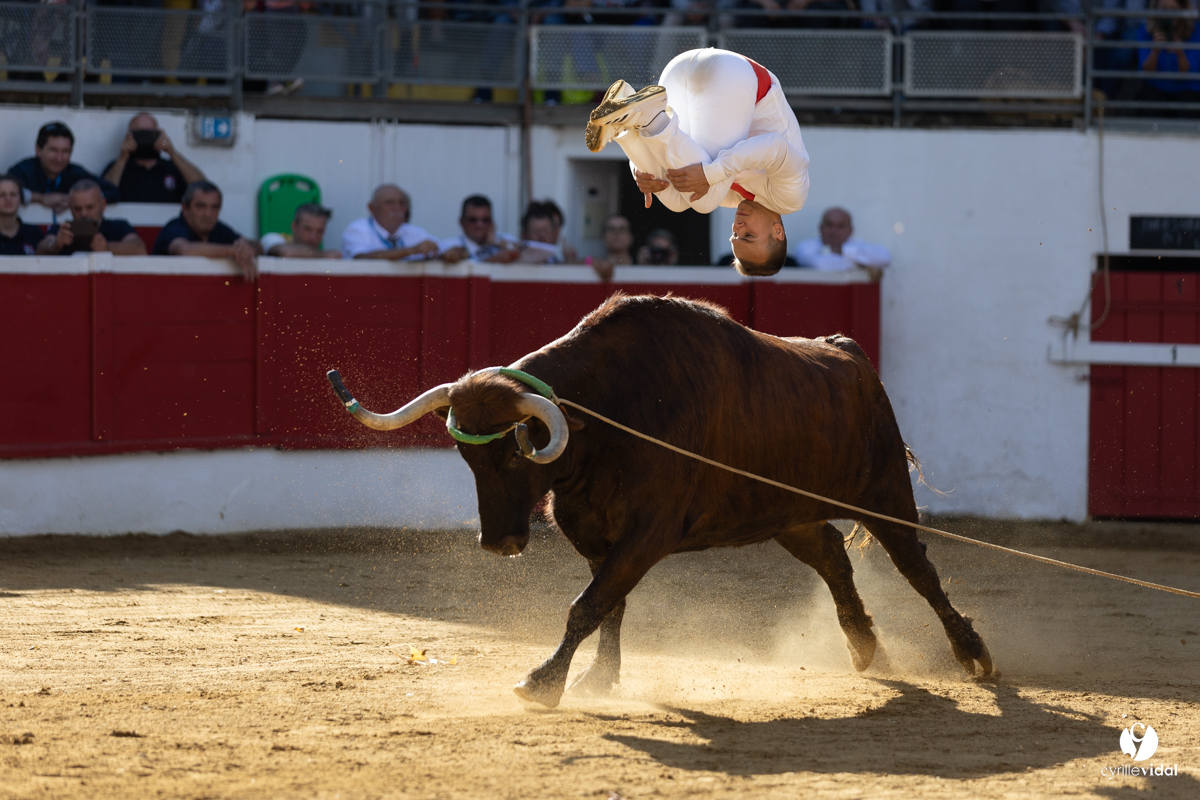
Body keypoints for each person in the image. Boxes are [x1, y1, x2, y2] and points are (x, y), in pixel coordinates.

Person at [585, 48, 810, 276]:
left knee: (678, 200)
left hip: (678, 71)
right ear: (778, 231)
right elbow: (774, 147)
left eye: (735, 237)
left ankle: (627, 127)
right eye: (749, 236)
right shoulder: (791, 199)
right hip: (729, 73)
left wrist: (641, 172)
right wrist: (710, 174)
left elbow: (680, 157)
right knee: (705, 201)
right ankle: (649, 117)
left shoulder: (735, 199)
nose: (738, 228)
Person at [153, 181, 262, 281]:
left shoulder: (219, 229)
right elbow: (186, 251)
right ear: (185, 208)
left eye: (214, 207)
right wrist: (234, 251)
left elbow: (258, 247)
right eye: (201, 206)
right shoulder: (175, 227)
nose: (208, 214)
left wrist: (248, 249)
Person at [7, 122, 120, 214]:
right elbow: (5, 192)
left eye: (65, 151)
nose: (59, 158)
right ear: (38, 150)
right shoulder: (23, 170)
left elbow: (112, 192)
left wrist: (73, 199)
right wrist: (40, 198)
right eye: (53, 150)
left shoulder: (75, 173)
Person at [102, 113, 207, 204]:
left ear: (158, 134)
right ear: (129, 136)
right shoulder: (118, 167)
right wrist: (123, 157)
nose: (144, 139)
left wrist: (172, 152)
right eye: (139, 134)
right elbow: (104, 193)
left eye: (150, 134)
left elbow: (203, 188)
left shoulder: (172, 168)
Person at [37, 180, 147, 256]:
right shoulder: (62, 230)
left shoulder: (118, 227)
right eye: (77, 208)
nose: (84, 213)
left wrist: (107, 247)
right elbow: (39, 250)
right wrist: (56, 244)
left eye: (90, 207)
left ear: (103, 205)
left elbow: (139, 249)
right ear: (70, 208)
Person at [341, 184, 440, 261]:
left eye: (402, 203)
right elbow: (361, 258)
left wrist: (452, 251)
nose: (397, 208)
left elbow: (441, 248)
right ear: (372, 208)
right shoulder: (357, 230)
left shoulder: (415, 232)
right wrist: (412, 250)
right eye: (389, 203)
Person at [794, 207, 891, 279]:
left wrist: (841, 250)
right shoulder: (805, 246)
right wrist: (859, 263)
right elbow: (820, 265)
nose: (834, 231)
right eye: (829, 225)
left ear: (850, 230)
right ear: (821, 227)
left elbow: (884, 258)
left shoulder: (856, 244)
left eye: (840, 226)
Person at [1136, 0, 1200, 104]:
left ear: (1182, 10)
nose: (1168, 15)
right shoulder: (1145, 31)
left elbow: (1189, 75)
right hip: (1156, 88)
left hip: (1187, 89)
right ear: (1156, 9)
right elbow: (1146, 73)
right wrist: (1155, 52)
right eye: (1164, 9)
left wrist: (1180, 54)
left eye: (1173, 10)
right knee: (1147, 97)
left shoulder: (1196, 31)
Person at [439, 195, 520, 264]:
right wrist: (490, 261)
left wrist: (496, 241)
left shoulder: (502, 239)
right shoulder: (449, 244)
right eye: (473, 220)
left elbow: (525, 250)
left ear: (492, 222)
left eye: (485, 220)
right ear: (461, 222)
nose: (479, 225)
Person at [260, 203, 342, 258]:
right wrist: (324, 255)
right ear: (294, 226)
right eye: (308, 229)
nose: (313, 237)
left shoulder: (320, 255)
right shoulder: (272, 238)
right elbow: (287, 253)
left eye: (319, 231)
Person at [0, 175, 44, 256]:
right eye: (2, 195)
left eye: (13, 194)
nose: (8, 199)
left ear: (20, 198)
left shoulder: (34, 233)